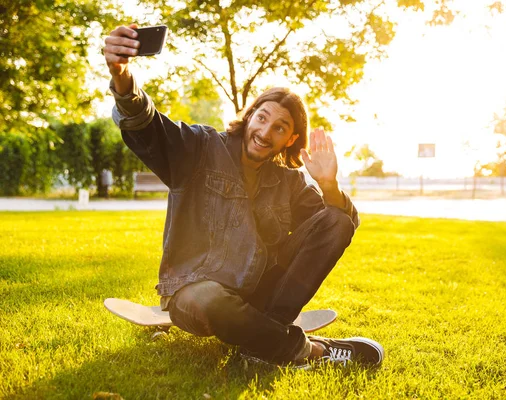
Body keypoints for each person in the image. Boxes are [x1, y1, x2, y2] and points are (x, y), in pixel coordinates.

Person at [103, 24, 384, 367]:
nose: (265, 132)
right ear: (250, 115)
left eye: (280, 128)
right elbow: (146, 124)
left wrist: (328, 185)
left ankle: (260, 342)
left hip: (260, 297)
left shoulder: (289, 182)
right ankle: (311, 350)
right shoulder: (201, 148)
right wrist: (122, 76)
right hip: (195, 293)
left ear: (291, 139)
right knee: (211, 298)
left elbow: (336, 228)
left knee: (337, 219)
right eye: (262, 118)